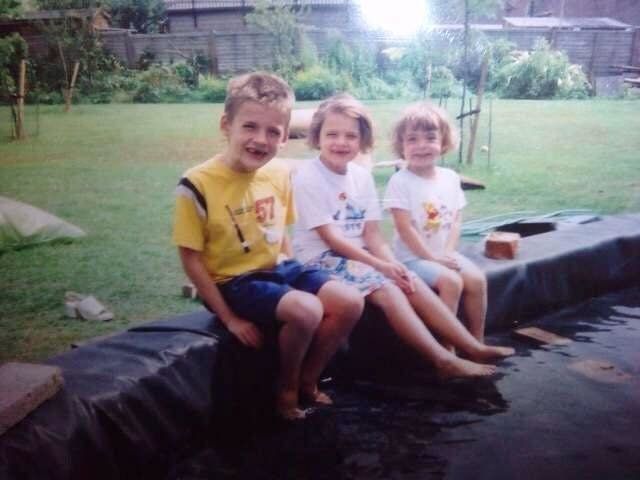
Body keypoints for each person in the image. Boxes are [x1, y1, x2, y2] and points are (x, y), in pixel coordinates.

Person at [172, 73, 364, 420]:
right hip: (233, 281)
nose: (260, 140)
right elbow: (191, 258)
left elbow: (281, 232)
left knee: (350, 301)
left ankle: (309, 376)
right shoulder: (196, 184)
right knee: (306, 310)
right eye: (249, 127)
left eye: (273, 131)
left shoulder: (278, 173)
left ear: (285, 137)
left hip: (277, 268)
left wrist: (291, 276)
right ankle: (286, 387)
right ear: (226, 125)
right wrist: (229, 318)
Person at [292, 93, 514, 379]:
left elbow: (372, 233)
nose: (341, 142)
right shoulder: (309, 176)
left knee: (409, 279)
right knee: (390, 290)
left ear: (362, 140)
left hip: (357, 258)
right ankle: (442, 360)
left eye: (351, 135)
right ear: (317, 136)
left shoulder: (361, 176)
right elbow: (332, 239)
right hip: (320, 259)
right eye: (332, 134)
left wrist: (390, 263)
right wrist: (381, 266)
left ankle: (470, 345)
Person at [384, 102, 487, 341]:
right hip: (411, 258)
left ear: (443, 142)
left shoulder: (450, 178)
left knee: (477, 280)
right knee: (451, 282)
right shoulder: (400, 182)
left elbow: (456, 219)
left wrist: (448, 252)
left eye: (430, 138)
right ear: (401, 146)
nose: (422, 146)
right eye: (412, 139)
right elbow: (404, 227)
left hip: (441, 253)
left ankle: (476, 341)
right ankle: (446, 349)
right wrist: (433, 258)